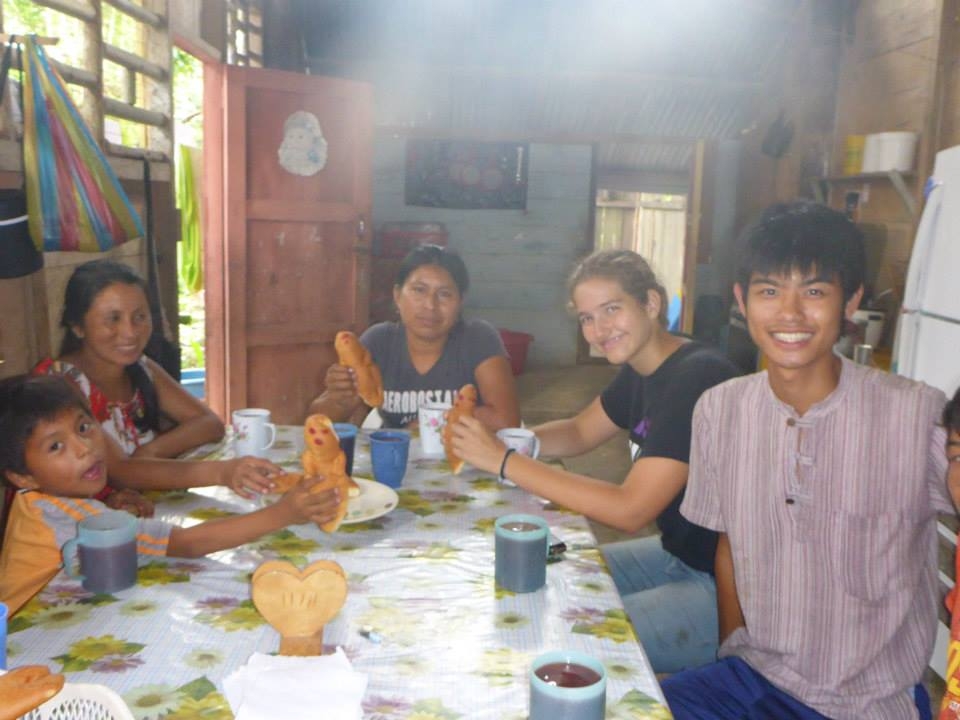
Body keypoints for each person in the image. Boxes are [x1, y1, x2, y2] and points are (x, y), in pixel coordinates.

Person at [662, 201, 955, 720]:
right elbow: (728, 544)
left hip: (868, 705)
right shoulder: (719, 409)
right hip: (750, 679)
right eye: (769, 291)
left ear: (851, 301)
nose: (790, 314)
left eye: (815, 291)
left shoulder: (918, 413)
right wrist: (735, 648)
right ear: (741, 301)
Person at [449, 249, 740, 673]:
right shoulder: (644, 368)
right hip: (679, 552)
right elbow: (581, 431)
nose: (598, 329)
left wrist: (505, 460)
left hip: (728, 589)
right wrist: (504, 440)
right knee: (551, 578)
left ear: (651, 304)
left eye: (611, 309)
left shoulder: (699, 376)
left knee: (567, 639)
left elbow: (629, 509)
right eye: (587, 318)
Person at [0, 374, 342, 615]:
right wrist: (282, 514)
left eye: (84, 428)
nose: (83, 448)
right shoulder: (74, 518)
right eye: (56, 446)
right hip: (18, 641)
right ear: (22, 476)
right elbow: (186, 544)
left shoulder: (41, 503)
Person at [34, 259, 280, 502]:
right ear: (78, 327)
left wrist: (151, 451)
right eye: (113, 319)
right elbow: (120, 472)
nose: (130, 332)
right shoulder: (60, 383)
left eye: (140, 317)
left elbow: (209, 423)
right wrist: (222, 472)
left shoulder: (140, 366)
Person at [309, 244, 520, 430]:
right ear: (397, 295)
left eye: (445, 294)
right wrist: (339, 398)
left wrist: (429, 423)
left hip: (464, 461)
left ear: (460, 301)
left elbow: (505, 419)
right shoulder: (379, 341)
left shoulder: (477, 339)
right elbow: (318, 420)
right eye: (419, 290)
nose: (430, 305)